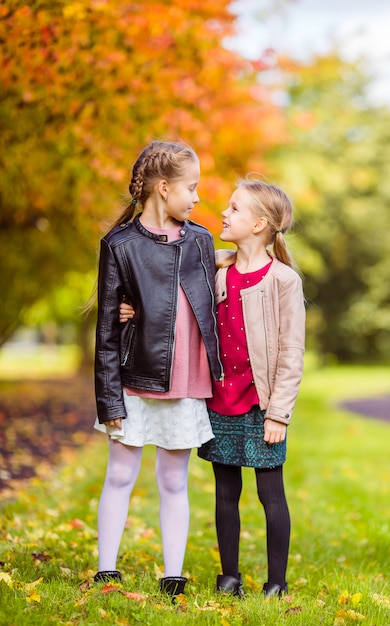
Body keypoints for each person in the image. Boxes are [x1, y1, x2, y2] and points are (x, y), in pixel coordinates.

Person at [120, 178, 305, 598]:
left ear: (259, 224)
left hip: (261, 404)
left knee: (269, 490)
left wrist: (279, 412)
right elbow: (167, 289)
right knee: (226, 490)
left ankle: (277, 582)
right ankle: (229, 577)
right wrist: (128, 306)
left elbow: (292, 352)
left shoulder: (283, 281)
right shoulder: (215, 270)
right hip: (220, 397)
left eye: (235, 208)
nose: (223, 212)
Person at [93, 140, 223, 599]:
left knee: (173, 479)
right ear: (164, 188)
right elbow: (107, 330)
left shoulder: (202, 241)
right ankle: (105, 569)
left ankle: (173, 573)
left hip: (186, 382)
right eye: (192, 187)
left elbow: (218, 286)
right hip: (135, 381)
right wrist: (108, 399)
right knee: (121, 475)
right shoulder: (119, 245)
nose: (198, 197)